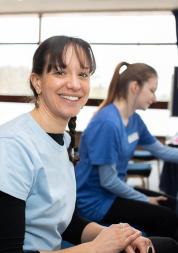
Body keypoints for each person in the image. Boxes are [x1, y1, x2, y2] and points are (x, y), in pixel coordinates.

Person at [0, 36, 160, 253]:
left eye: (83, 74)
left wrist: (117, 236)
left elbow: (69, 224)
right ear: (37, 82)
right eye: (59, 72)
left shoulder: (64, 140)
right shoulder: (12, 145)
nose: (75, 84)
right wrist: (96, 248)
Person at [75, 61, 178, 241]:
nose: (154, 98)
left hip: (113, 193)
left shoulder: (134, 120)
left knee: (172, 204)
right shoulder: (107, 123)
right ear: (134, 87)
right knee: (166, 218)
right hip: (95, 202)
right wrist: (144, 199)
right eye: (152, 90)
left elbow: (161, 151)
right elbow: (108, 180)